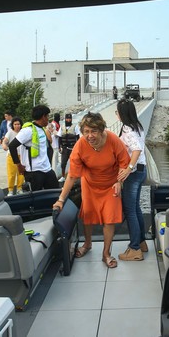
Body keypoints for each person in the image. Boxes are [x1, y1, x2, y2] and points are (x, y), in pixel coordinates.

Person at [53, 112, 130, 269]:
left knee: (109, 219)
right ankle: (87, 244)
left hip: (111, 185)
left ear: (101, 130)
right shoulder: (80, 145)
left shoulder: (113, 140)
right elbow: (72, 176)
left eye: (93, 131)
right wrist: (61, 199)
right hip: (90, 184)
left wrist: (119, 182)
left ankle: (106, 254)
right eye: (86, 131)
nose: (90, 135)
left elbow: (124, 164)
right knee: (87, 216)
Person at [114, 99, 148, 261]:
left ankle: (134, 249)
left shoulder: (128, 129)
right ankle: (141, 242)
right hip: (141, 171)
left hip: (133, 173)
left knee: (130, 211)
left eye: (117, 112)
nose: (116, 114)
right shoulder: (137, 126)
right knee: (136, 208)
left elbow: (136, 149)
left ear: (122, 114)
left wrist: (128, 168)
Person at [8, 104, 58, 191]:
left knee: (56, 194)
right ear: (43, 117)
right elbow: (12, 146)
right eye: (47, 116)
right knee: (36, 200)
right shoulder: (28, 131)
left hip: (47, 169)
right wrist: (19, 165)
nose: (48, 119)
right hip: (34, 172)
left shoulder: (42, 129)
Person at [2, 116, 26, 196]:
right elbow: (5, 141)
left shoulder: (23, 132)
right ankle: (11, 190)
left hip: (21, 155)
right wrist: (4, 145)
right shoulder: (10, 132)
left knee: (21, 174)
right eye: (15, 124)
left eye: (18, 124)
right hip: (11, 156)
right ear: (12, 125)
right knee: (11, 174)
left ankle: (19, 188)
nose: (17, 126)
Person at [57, 113, 80, 182]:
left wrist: (77, 148)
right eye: (67, 118)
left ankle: (76, 175)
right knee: (63, 163)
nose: (68, 120)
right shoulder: (62, 127)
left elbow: (78, 137)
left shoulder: (75, 127)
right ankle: (63, 176)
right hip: (64, 148)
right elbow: (59, 137)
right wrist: (59, 147)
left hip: (72, 148)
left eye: (69, 118)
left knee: (75, 162)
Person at [48, 112, 61, 177]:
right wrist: (59, 134)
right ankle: (54, 173)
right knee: (54, 159)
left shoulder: (57, 123)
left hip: (57, 142)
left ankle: (56, 172)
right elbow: (51, 131)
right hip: (54, 143)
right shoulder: (53, 123)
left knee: (56, 160)